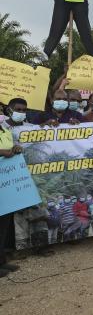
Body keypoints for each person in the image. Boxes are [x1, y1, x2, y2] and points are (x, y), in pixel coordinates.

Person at [0, 118, 23, 277]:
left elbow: (8, 148)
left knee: (3, 224)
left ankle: (1, 262)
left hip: (5, 182)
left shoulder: (4, 130)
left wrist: (15, 149)